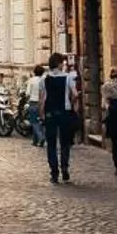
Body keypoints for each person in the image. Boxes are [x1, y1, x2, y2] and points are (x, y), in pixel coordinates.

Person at [41, 53, 77, 183]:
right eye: (62, 62)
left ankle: (54, 173)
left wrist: (42, 113)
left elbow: (42, 98)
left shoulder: (45, 78)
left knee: (51, 144)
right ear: (59, 63)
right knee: (64, 143)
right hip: (64, 112)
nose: (64, 65)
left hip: (50, 113)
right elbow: (75, 94)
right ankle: (65, 168)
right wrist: (71, 103)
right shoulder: (68, 78)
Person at [24, 64, 47, 146]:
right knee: (41, 121)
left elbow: (27, 93)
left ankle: (41, 137)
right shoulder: (44, 80)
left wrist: (26, 100)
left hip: (33, 102)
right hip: (43, 103)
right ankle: (35, 141)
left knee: (34, 121)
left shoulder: (31, 80)